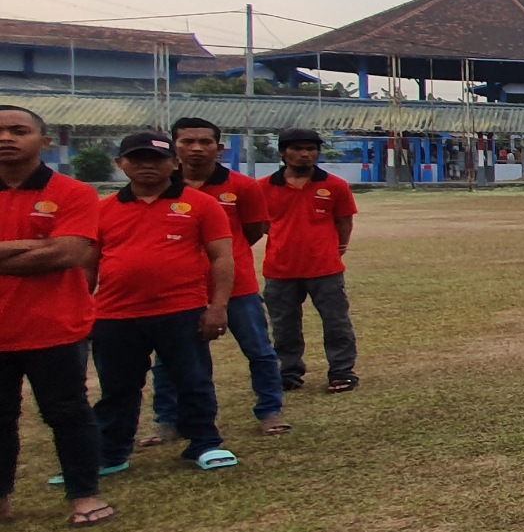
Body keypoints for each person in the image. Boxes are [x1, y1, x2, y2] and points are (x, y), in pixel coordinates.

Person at [92, 131, 239, 473]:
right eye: (137, 158)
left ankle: (204, 443)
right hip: (115, 314)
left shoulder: (201, 205)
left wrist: (217, 306)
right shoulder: (102, 210)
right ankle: (112, 452)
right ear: (120, 164)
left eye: (156, 159)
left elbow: (221, 258)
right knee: (117, 387)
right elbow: (88, 264)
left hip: (180, 310)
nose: (147, 165)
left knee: (193, 380)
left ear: (173, 163)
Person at [0, 105, 111, 527]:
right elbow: (50, 250)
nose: (6, 138)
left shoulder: (73, 192)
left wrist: (46, 251)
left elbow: (69, 252)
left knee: (67, 413)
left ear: (43, 142)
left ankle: (84, 496)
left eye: (18, 130)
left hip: (55, 325)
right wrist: (33, 247)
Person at [143, 117, 286, 444]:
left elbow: (251, 231)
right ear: (174, 146)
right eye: (187, 141)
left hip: (237, 287)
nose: (196, 149)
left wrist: (225, 258)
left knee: (259, 351)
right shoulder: (162, 188)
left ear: (218, 148)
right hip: (180, 290)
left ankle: (269, 410)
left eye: (205, 142)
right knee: (168, 359)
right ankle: (167, 419)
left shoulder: (242, 187)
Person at [260, 128, 359, 394]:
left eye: (311, 149)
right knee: (284, 325)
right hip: (280, 269)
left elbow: (344, 221)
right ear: (283, 152)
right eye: (297, 149)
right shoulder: (263, 187)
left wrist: (337, 248)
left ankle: (341, 371)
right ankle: (288, 372)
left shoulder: (335, 185)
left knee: (336, 322)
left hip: (324, 268)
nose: (305, 154)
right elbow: (260, 224)